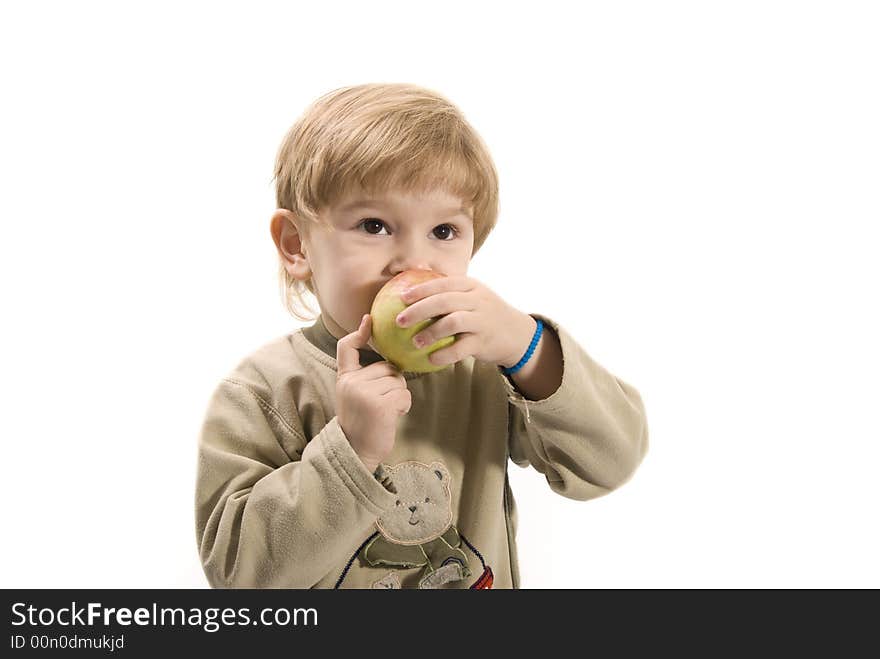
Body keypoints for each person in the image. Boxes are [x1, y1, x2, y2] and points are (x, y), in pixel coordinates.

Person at [194, 82, 649, 589]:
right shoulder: (263, 392)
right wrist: (351, 449)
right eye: (373, 225)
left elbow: (610, 462)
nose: (414, 261)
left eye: (444, 232)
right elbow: (242, 576)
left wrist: (526, 347)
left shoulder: (482, 371)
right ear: (297, 244)